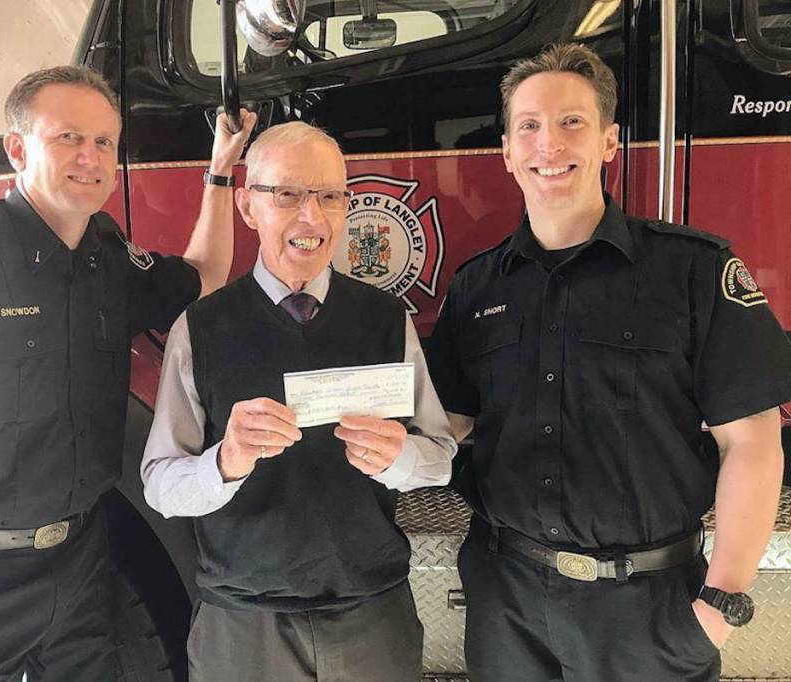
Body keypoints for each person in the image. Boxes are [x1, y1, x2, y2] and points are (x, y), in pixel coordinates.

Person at [0, 65, 255, 680]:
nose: (90, 156)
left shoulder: (106, 258)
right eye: (67, 138)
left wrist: (220, 169)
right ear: (17, 148)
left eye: (104, 142)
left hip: (78, 570)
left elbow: (204, 276)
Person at [428, 43, 791, 682]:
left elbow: (753, 443)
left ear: (608, 143)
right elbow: (452, 424)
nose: (550, 145)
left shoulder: (693, 271)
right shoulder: (476, 287)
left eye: (573, 122)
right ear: (507, 151)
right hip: (507, 602)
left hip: (648, 611)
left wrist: (721, 601)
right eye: (529, 127)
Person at [141, 121, 457, 682]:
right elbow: (160, 486)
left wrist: (400, 457)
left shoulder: (386, 320)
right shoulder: (201, 327)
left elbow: (439, 459)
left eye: (331, 196)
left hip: (372, 614)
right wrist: (224, 463)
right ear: (246, 207)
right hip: (243, 625)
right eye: (287, 195)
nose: (312, 217)